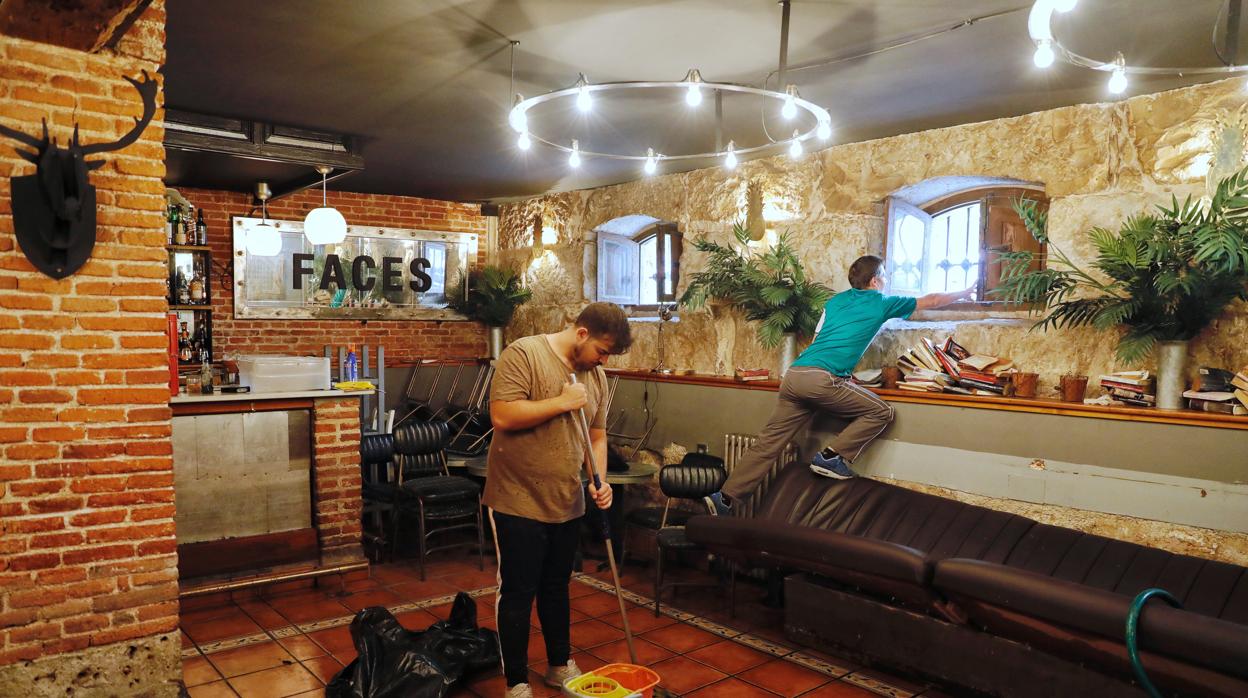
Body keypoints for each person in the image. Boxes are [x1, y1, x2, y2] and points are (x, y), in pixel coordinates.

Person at [712, 255, 972, 511]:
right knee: (882, 412)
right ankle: (831, 456)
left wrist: (844, 375)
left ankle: (723, 499)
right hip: (821, 380)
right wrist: (966, 291)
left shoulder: (834, 301)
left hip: (795, 375)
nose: (886, 279)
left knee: (768, 444)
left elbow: (819, 339)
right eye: (884, 275)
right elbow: (933, 300)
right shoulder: (880, 302)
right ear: (875, 280)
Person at [485, 302, 633, 698]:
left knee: (556, 586)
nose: (603, 360)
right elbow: (502, 415)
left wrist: (598, 479)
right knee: (518, 590)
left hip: (566, 498)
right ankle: (515, 680)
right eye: (602, 350)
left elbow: (597, 436)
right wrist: (562, 402)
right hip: (517, 497)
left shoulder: (595, 377)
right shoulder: (524, 353)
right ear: (582, 333)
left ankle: (558, 665)